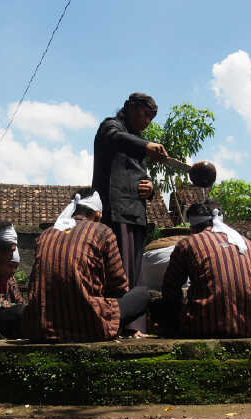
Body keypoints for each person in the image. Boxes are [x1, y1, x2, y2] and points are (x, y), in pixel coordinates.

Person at [24, 188, 151, 342]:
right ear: (97, 215)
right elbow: (119, 286)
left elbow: (33, 284)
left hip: (42, 327)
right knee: (142, 295)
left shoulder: (45, 235)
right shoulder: (103, 231)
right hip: (88, 324)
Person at [92, 93, 168, 336]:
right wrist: (147, 146)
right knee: (118, 271)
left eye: (152, 118)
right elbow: (115, 139)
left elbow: (139, 175)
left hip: (136, 214)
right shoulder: (111, 127)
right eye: (145, 114)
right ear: (130, 107)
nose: (148, 121)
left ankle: (134, 327)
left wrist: (151, 188)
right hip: (115, 212)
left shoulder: (137, 140)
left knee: (135, 271)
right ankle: (117, 323)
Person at [155, 200, 251, 338]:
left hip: (203, 325)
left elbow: (170, 289)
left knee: (158, 306)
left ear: (192, 228)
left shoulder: (188, 243)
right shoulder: (246, 243)